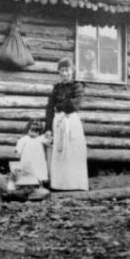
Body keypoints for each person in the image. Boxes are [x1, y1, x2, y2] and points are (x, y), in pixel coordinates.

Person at [44, 58, 89, 191]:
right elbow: (49, 108)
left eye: (67, 70)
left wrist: (59, 105)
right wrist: (48, 128)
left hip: (72, 122)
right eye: (62, 71)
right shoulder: (56, 88)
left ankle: (75, 184)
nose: (64, 73)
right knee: (60, 152)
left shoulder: (77, 86)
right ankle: (60, 184)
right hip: (58, 122)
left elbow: (74, 104)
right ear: (59, 72)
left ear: (72, 71)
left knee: (73, 151)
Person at [14, 119, 49, 185]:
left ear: (39, 132)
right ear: (28, 130)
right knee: (27, 170)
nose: (34, 132)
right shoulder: (24, 139)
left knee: (39, 170)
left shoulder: (40, 138)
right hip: (27, 159)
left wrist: (48, 137)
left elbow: (47, 141)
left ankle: (40, 181)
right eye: (32, 130)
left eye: (36, 131)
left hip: (38, 159)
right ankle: (28, 182)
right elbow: (19, 145)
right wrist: (18, 152)